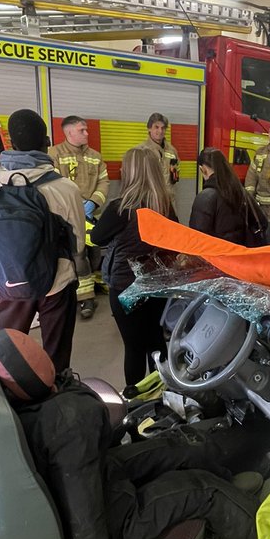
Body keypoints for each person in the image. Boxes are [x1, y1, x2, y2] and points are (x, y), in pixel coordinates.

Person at [0, 329, 262, 539]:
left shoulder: (34, 399)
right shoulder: (68, 425)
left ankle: (232, 492)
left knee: (179, 447)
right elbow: (84, 513)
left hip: (106, 476)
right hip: (118, 522)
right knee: (204, 490)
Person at [0, 108, 85, 374]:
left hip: (7, 281)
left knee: (8, 352)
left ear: (10, 143)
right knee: (56, 355)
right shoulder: (64, 187)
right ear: (46, 143)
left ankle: (10, 396)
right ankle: (56, 393)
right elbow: (78, 243)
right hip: (55, 284)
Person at [91, 145, 176, 387]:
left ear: (131, 172)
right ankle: (165, 395)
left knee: (134, 347)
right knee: (156, 343)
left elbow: (97, 238)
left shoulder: (120, 208)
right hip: (158, 285)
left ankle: (137, 402)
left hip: (126, 287)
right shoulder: (165, 207)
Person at [190, 147, 267, 244]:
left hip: (216, 257)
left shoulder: (205, 197)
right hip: (240, 255)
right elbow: (262, 222)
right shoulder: (243, 193)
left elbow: (197, 237)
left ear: (203, 169)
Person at [49, 116, 109, 221]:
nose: (87, 133)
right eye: (82, 130)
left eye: (86, 130)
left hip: (92, 215)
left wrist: (94, 202)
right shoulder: (54, 154)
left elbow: (104, 182)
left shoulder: (96, 156)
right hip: (66, 216)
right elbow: (54, 185)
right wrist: (77, 205)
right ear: (69, 133)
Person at [139, 112, 180, 200]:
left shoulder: (172, 151)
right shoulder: (142, 151)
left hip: (169, 200)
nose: (160, 131)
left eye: (163, 128)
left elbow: (175, 175)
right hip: (149, 200)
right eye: (156, 127)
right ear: (149, 128)